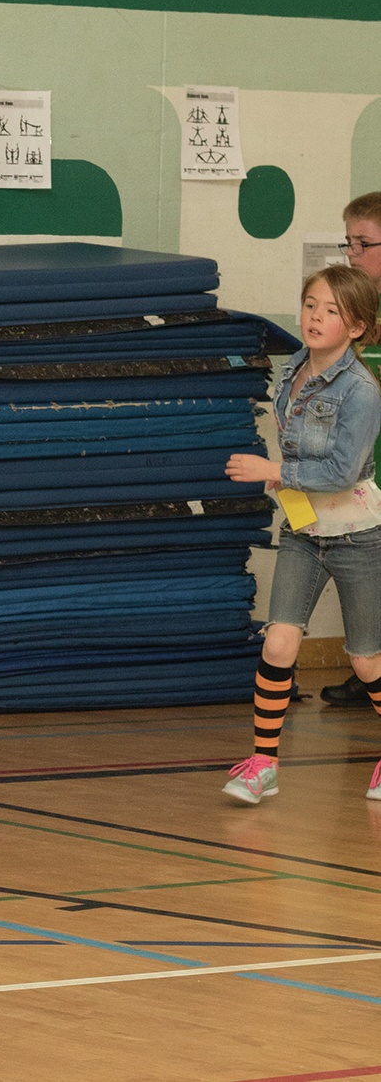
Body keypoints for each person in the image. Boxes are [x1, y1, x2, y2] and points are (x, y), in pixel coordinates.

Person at [222, 266, 381, 804]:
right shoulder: (291, 370)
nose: (315, 317)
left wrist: (272, 472)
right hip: (302, 529)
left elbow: (339, 473)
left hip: (358, 536)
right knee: (280, 640)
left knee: (367, 660)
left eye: (332, 310)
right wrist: (285, 488)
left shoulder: (362, 391)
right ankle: (263, 763)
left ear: (357, 327)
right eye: (311, 304)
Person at [321, 191, 381, 708]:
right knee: (363, 568)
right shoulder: (357, 307)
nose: (352, 254)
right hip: (364, 465)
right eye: (349, 243)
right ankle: (369, 667)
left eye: (363, 243)